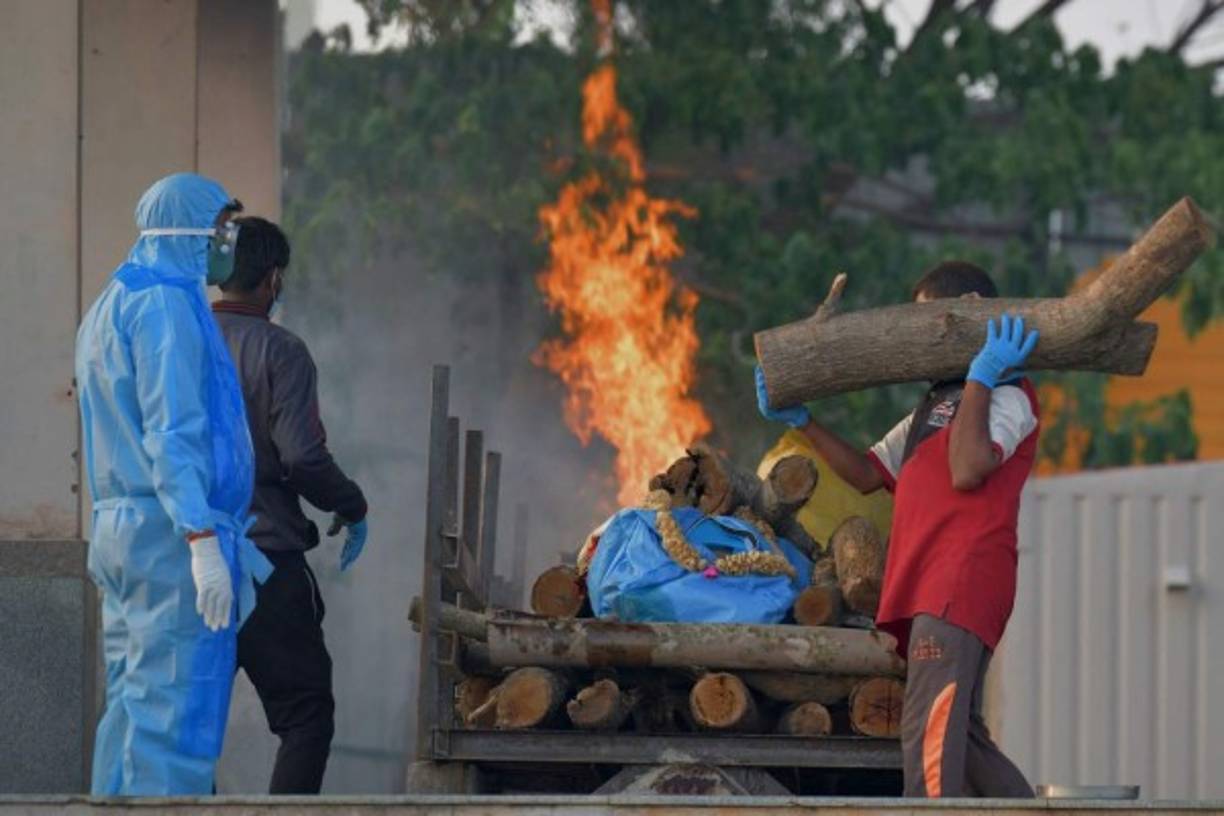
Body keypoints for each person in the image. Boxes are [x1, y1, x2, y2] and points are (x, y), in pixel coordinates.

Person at [756, 260, 1039, 799]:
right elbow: (868, 473)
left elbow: (968, 467)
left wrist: (982, 375)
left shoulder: (1008, 393)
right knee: (964, 738)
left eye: (934, 321)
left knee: (927, 733)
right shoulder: (934, 404)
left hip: (960, 582)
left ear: (974, 311)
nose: (923, 337)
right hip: (931, 585)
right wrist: (803, 421)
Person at [76, 173, 272, 795]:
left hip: (124, 531)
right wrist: (201, 537)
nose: (228, 243)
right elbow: (173, 431)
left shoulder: (116, 297)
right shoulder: (166, 305)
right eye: (223, 228)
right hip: (169, 539)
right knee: (176, 716)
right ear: (192, 230)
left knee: (132, 709)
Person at [212, 215, 369, 794]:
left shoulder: (182, 344)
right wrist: (352, 504)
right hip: (265, 563)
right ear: (273, 279)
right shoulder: (282, 351)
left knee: (187, 726)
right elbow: (302, 458)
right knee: (305, 717)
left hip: (186, 564)